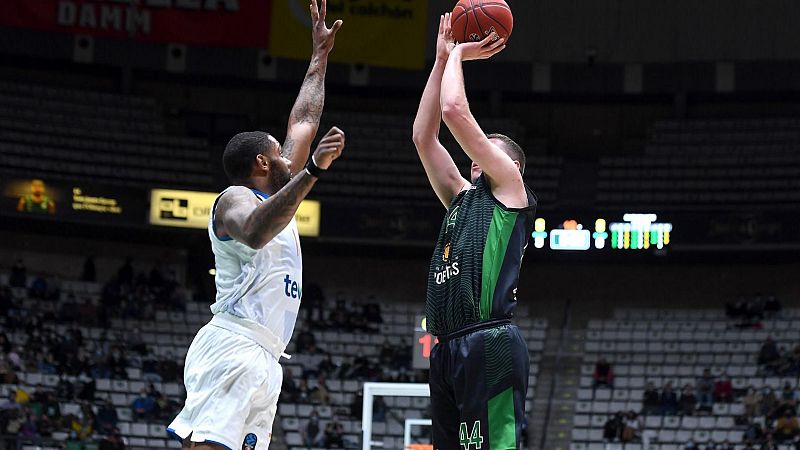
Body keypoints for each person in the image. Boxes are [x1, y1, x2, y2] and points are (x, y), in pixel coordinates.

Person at [166, 2, 344, 448]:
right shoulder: (234, 200)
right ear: (262, 162)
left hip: (266, 355)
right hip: (233, 345)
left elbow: (304, 121)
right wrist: (312, 173)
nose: (291, 156)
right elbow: (256, 231)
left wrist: (319, 57)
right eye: (281, 155)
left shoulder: (281, 192)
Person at [413, 13, 535, 450]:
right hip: (445, 348)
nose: (472, 157)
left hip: (489, 341)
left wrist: (460, 55)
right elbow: (424, 138)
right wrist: (440, 59)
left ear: (512, 166)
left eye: (484, 149)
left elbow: (453, 111)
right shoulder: (460, 198)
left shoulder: (510, 191)